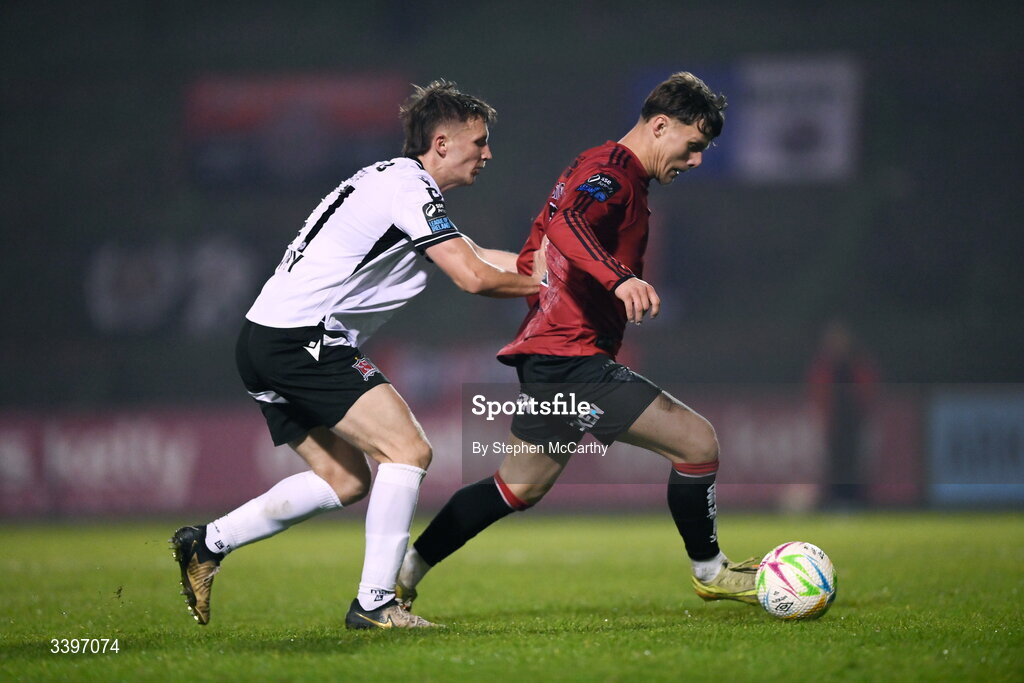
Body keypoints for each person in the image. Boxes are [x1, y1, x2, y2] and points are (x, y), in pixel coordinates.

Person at [170, 80, 544, 630]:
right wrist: (555, 288)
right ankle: (375, 604)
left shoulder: (396, 183)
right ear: (441, 143)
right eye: (478, 142)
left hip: (264, 338)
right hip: (305, 335)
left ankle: (206, 544)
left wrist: (549, 272)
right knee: (408, 451)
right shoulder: (409, 189)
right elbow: (471, 277)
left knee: (344, 481)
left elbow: (474, 255)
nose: (487, 153)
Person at [397, 72, 762, 612]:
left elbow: (544, 248)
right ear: (660, 126)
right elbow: (567, 224)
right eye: (694, 146)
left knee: (515, 488)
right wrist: (621, 278)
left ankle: (403, 571)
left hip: (553, 355)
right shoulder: (612, 174)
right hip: (569, 356)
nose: (697, 161)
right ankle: (710, 570)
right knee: (697, 443)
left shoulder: (605, 170)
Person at [806, 319, 879, 508]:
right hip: (832, 425)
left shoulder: (857, 365)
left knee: (857, 464)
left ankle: (856, 502)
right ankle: (835, 501)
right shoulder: (824, 368)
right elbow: (818, 396)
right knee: (832, 464)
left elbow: (868, 394)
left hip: (855, 424)